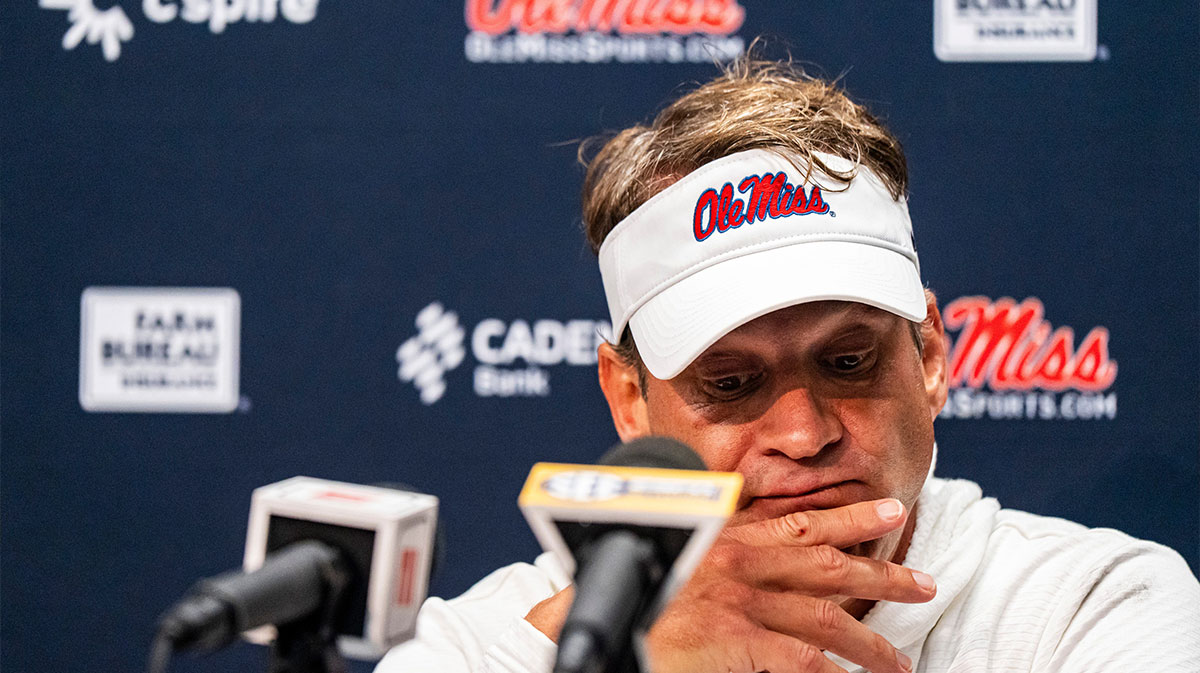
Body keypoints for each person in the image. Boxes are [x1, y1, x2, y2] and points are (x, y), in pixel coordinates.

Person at [377, 58, 1200, 673]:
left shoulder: (1092, 608)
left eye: (848, 360)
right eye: (730, 384)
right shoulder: (479, 648)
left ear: (932, 357)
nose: (803, 434)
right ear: (629, 399)